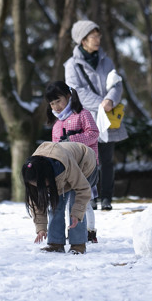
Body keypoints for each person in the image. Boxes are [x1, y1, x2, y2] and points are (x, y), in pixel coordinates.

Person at [65, 20, 127, 211]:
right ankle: (90, 195)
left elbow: (117, 83)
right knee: (88, 159)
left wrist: (110, 101)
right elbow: (76, 90)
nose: (97, 40)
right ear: (82, 40)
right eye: (93, 37)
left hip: (107, 117)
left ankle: (107, 197)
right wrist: (100, 103)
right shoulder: (72, 65)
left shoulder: (106, 60)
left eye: (98, 36)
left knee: (107, 159)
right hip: (86, 118)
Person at [44, 81, 100, 243]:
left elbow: (93, 134)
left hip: (85, 166)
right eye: (52, 103)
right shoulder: (57, 124)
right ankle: (60, 236)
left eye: (58, 101)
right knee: (61, 202)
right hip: (65, 169)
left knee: (82, 201)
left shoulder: (82, 114)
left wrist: (72, 140)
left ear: (68, 96)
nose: (56, 106)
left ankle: (90, 232)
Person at [22, 141, 98, 254]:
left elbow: (83, 189)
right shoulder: (34, 170)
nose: (38, 187)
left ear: (47, 176)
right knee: (55, 205)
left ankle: (78, 245)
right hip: (60, 172)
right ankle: (55, 243)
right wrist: (41, 228)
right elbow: (36, 202)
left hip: (84, 165)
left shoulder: (63, 165)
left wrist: (77, 213)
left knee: (75, 207)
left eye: (41, 184)